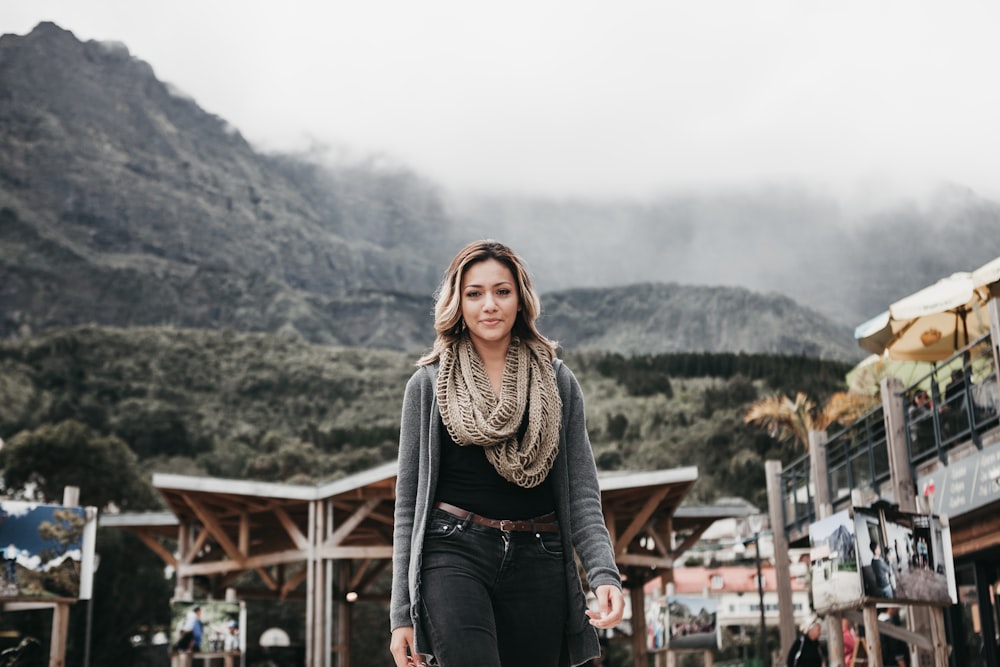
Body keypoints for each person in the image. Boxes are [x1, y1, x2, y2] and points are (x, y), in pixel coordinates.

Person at [389, 240, 625, 667]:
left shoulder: (557, 381)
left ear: (521, 299)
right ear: (457, 303)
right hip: (453, 551)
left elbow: (583, 492)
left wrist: (605, 574)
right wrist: (401, 614)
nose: (489, 305)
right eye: (474, 293)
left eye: (502, 291)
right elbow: (408, 507)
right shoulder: (427, 385)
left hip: (541, 555)